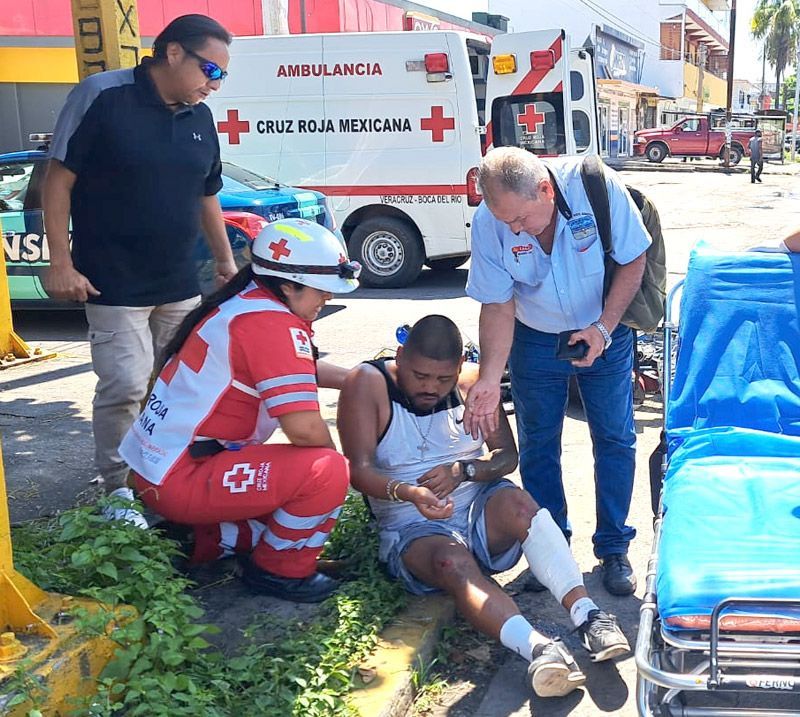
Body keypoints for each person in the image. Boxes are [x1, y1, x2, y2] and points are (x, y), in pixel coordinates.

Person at [338, 315, 630, 699]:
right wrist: (408, 492)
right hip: (412, 524)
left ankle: (588, 616)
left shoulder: (473, 382)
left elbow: (506, 456)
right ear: (400, 356)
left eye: (443, 380)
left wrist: (465, 470)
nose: (430, 388)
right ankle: (540, 650)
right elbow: (358, 471)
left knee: (523, 506)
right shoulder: (367, 384)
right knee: (451, 563)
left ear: (459, 367)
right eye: (420, 376)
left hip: (477, 506)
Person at [42, 14, 238, 510]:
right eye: (210, 71)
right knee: (126, 388)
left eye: (222, 75)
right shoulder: (103, 96)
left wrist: (224, 264)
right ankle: (119, 490)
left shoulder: (200, 118)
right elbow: (57, 179)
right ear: (173, 52)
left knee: (177, 386)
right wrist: (61, 263)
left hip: (179, 282)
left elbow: (207, 195)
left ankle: (166, 476)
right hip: (111, 281)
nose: (214, 84)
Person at [118, 219, 360, 603]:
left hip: (158, 472)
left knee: (293, 511)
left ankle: (203, 541)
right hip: (183, 477)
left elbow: (290, 371)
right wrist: (333, 488)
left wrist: (357, 378)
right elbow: (305, 430)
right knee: (326, 472)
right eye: (322, 290)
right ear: (288, 285)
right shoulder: (273, 325)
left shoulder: (246, 303)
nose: (326, 299)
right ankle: (279, 572)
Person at [463, 147, 651, 597]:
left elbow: (633, 259)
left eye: (521, 219)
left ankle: (613, 548)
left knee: (614, 437)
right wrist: (489, 379)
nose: (513, 229)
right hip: (535, 337)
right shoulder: (493, 222)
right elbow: (497, 303)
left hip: (603, 327)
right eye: (505, 221)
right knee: (538, 444)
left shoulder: (595, 186)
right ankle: (552, 551)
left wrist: (604, 329)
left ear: (546, 189)